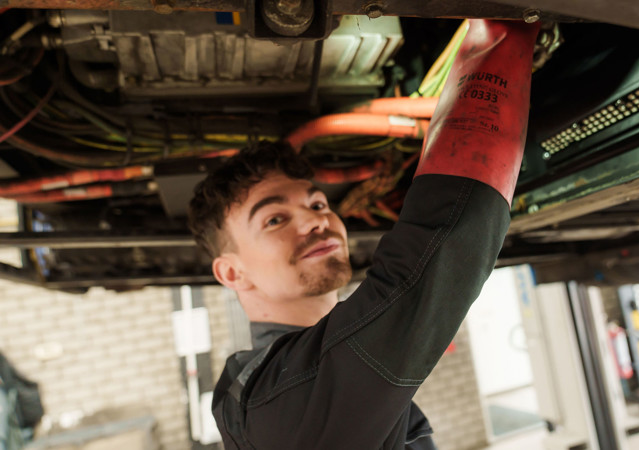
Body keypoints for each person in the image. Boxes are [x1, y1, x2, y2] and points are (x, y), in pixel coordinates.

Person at [188, 19, 540, 448]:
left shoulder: (301, 388)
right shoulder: (261, 399)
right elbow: (429, 264)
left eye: (317, 204)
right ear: (232, 273)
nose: (316, 220)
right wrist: (505, 32)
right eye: (275, 219)